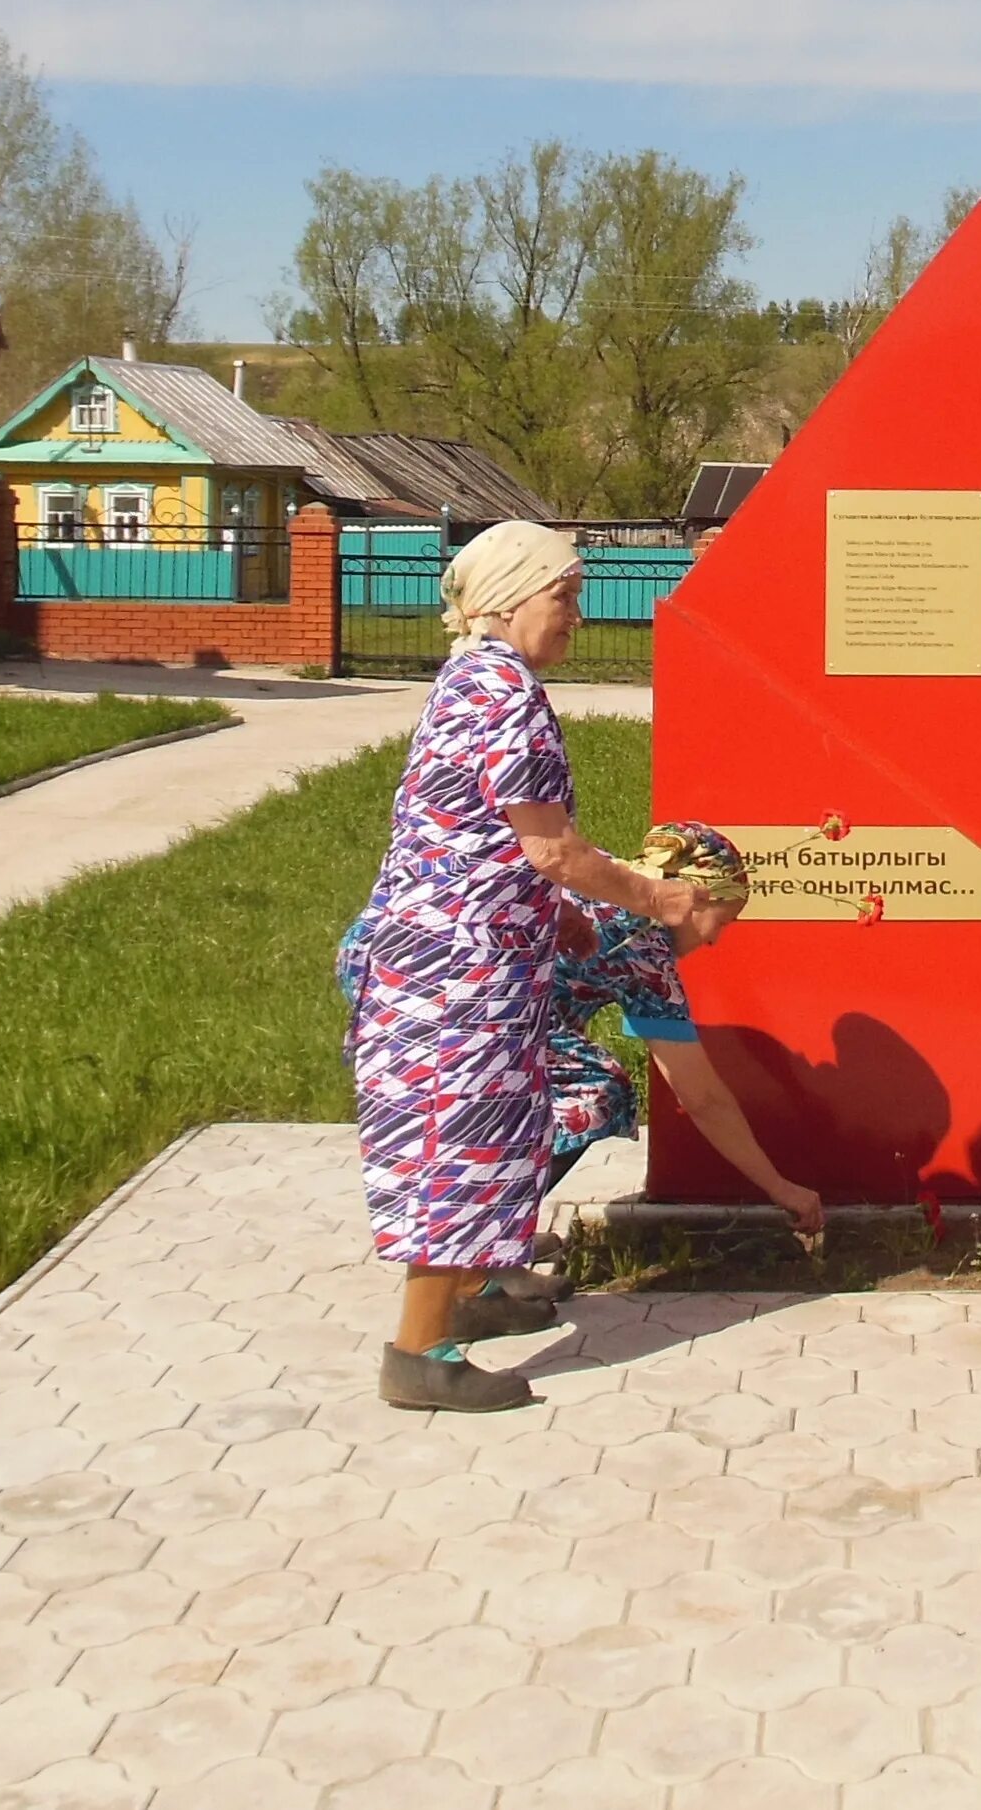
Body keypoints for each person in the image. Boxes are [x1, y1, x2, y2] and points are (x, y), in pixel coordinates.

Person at [340, 522, 704, 1416]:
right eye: (565, 597)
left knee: (490, 1140)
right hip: (458, 977)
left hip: (447, 955)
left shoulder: (472, 680)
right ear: (507, 600)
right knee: (459, 1148)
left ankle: (473, 1297)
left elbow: (481, 838)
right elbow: (550, 847)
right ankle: (421, 1355)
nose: (577, 616)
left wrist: (566, 916)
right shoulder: (507, 697)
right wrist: (652, 900)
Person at [541, 817, 824, 1241]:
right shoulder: (645, 950)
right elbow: (702, 1098)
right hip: (497, 1020)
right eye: (722, 922)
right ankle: (484, 1250)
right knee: (597, 1092)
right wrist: (780, 1188)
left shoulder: (601, 870)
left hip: (449, 990)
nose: (713, 942)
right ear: (694, 899)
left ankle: (488, 1246)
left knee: (538, 1103)